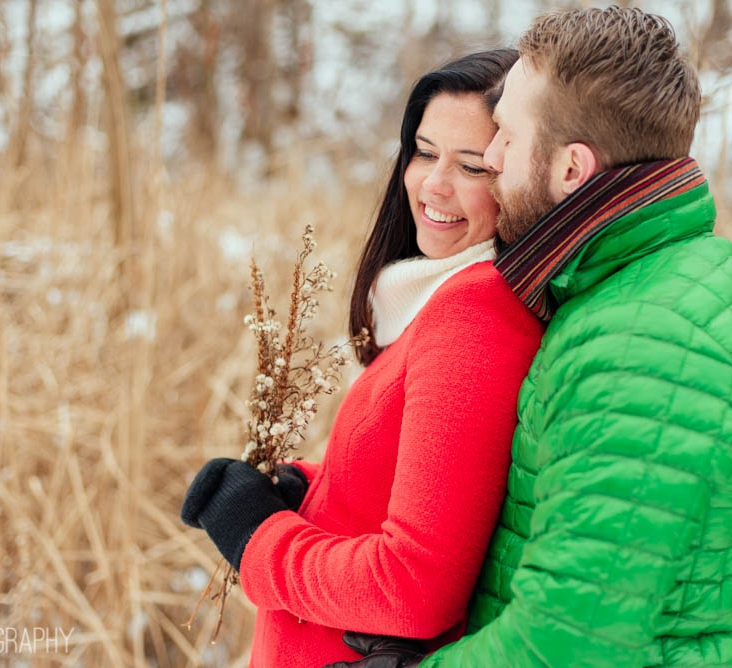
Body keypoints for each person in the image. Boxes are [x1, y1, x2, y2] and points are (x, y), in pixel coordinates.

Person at [334, 7, 732, 668]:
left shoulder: (644, 346)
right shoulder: (637, 284)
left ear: (573, 170)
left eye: (507, 140)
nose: (491, 159)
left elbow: (567, 644)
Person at [179, 49, 544, 667]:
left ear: (516, 173)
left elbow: (413, 587)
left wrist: (257, 539)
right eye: (425, 152)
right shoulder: (437, 300)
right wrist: (310, 492)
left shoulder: (474, 318)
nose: (434, 184)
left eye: (473, 166)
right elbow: (429, 492)